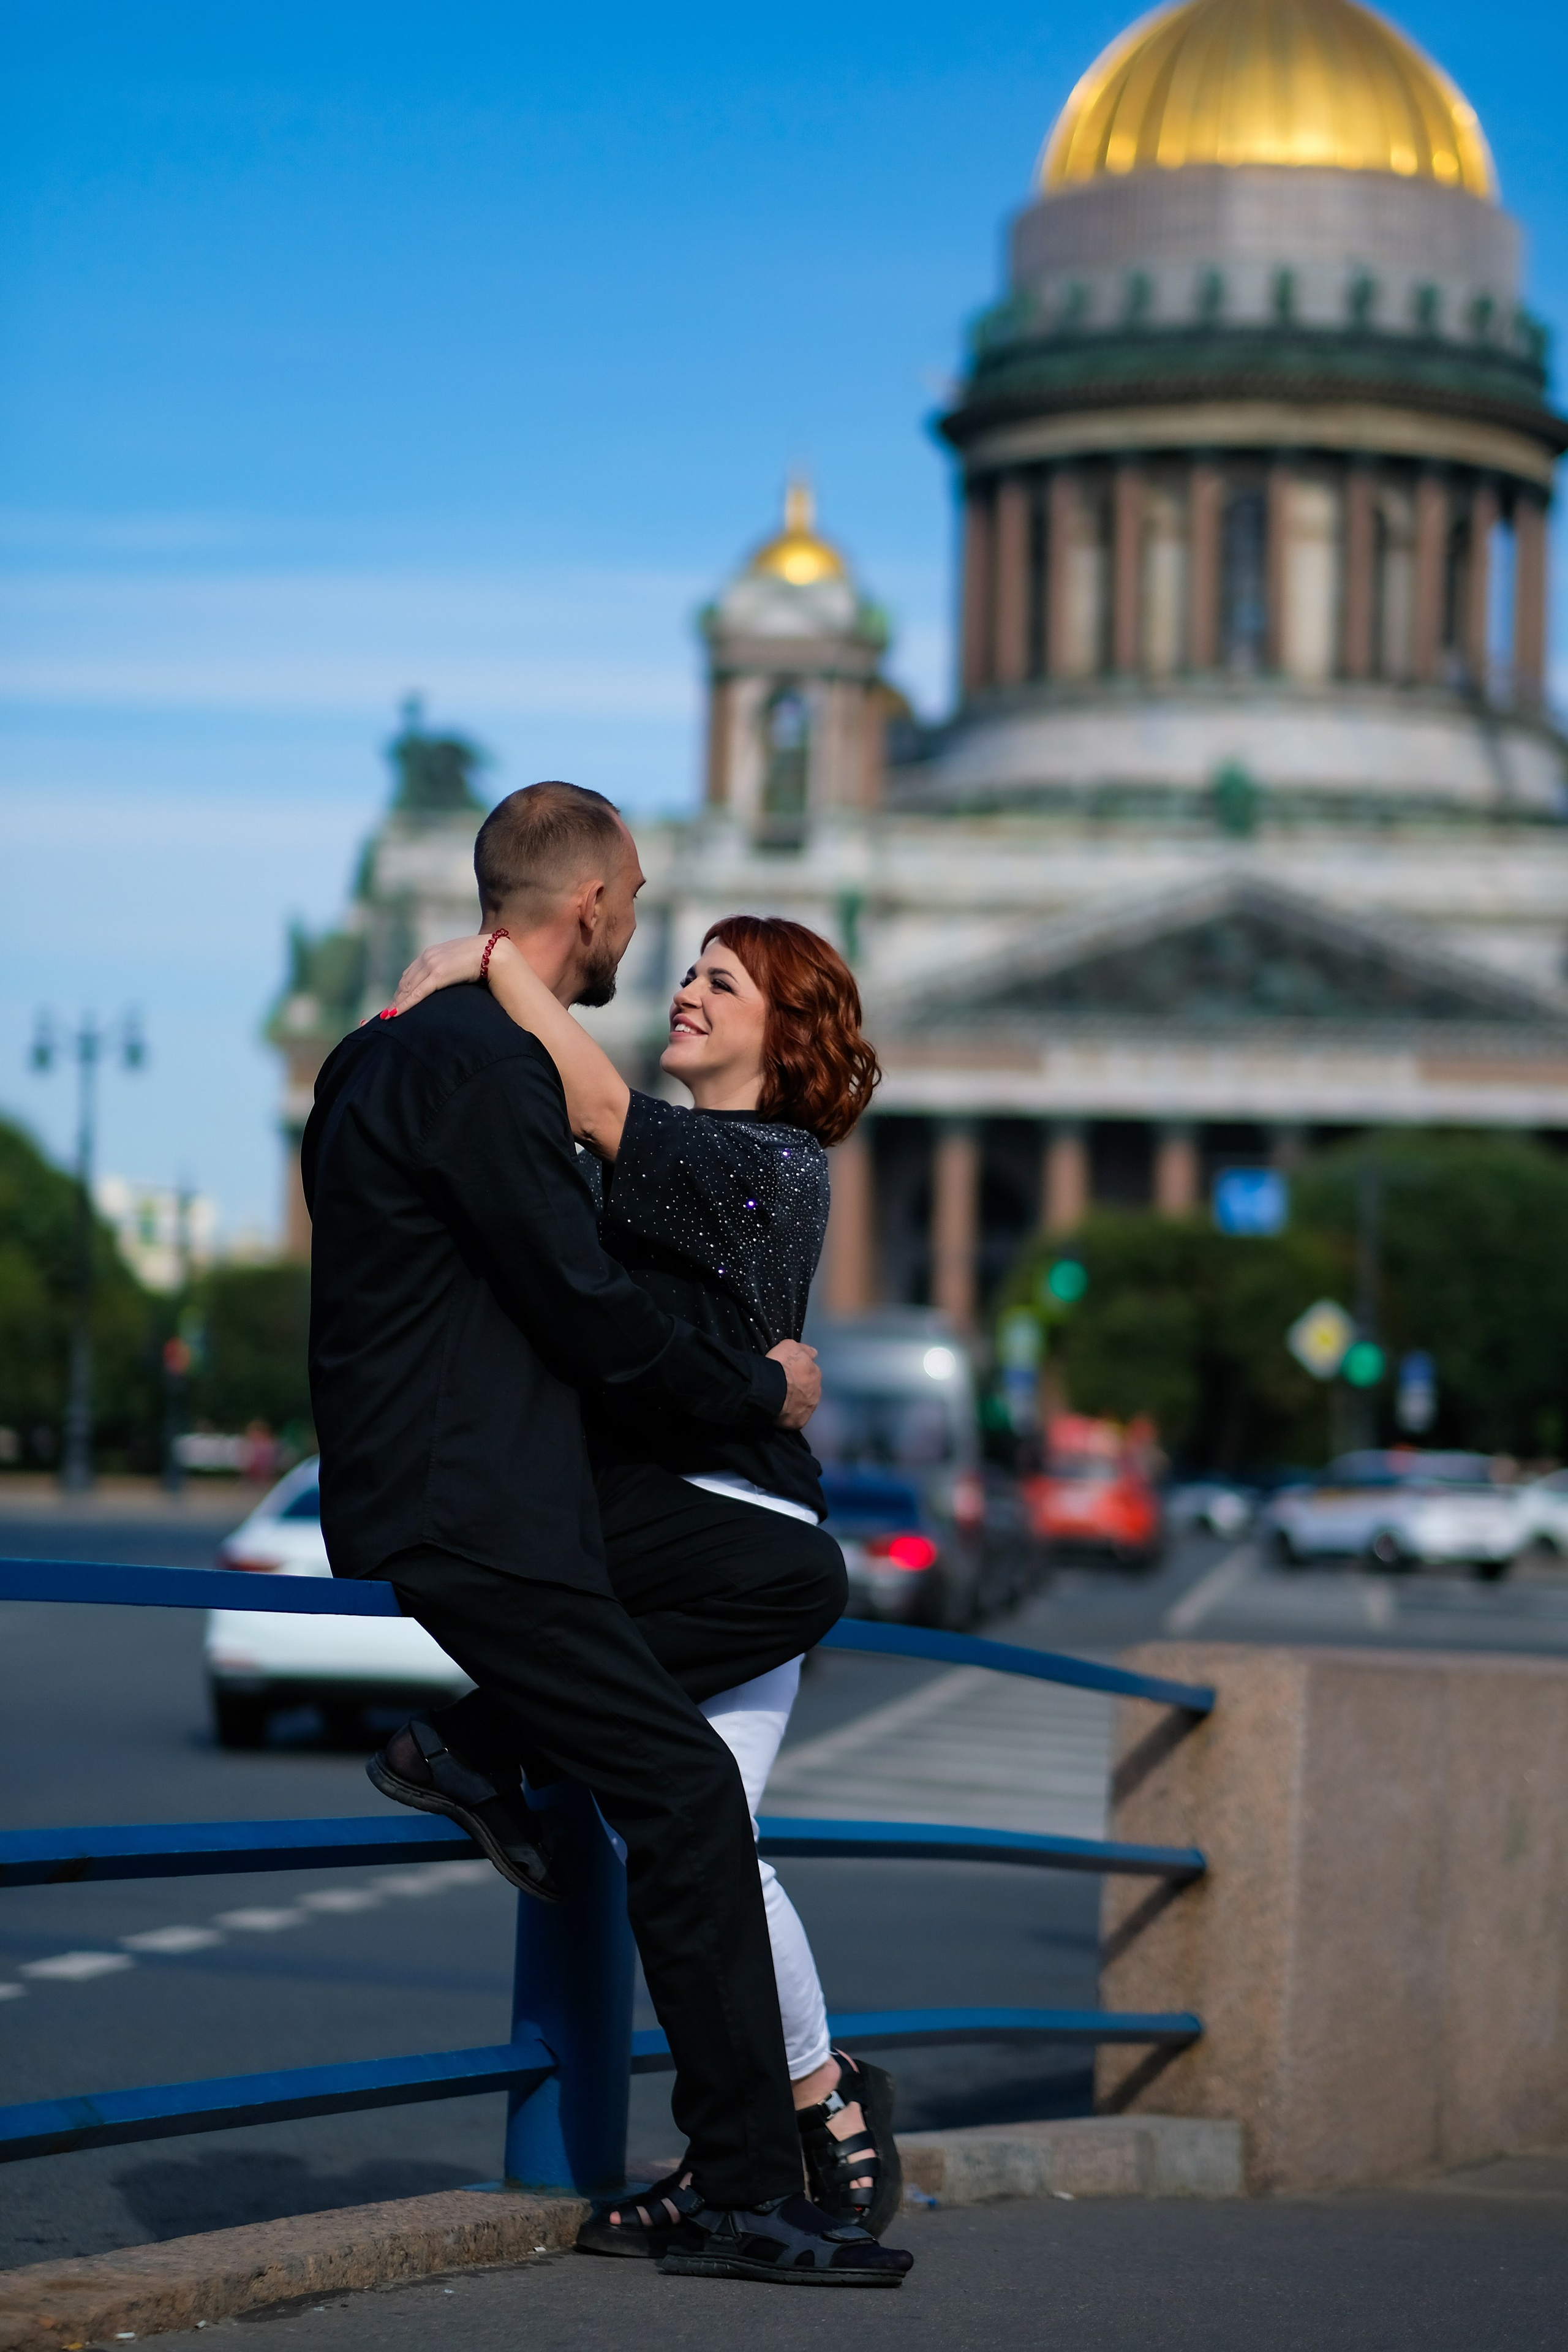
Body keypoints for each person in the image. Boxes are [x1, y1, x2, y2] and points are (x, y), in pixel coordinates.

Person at [304, 780, 911, 2288]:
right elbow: (575, 1292)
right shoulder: (494, 1074)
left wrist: (484, 968)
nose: (666, 959)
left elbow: (588, 1187)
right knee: (704, 1811)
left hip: (557, 1508)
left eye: (722, 975)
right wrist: (762, 1386)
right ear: (590, 910)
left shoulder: (751, 1159)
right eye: (653, 923)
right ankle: (764, 2167)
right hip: (509, 1511)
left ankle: (753, 2161)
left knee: (705, 1805)